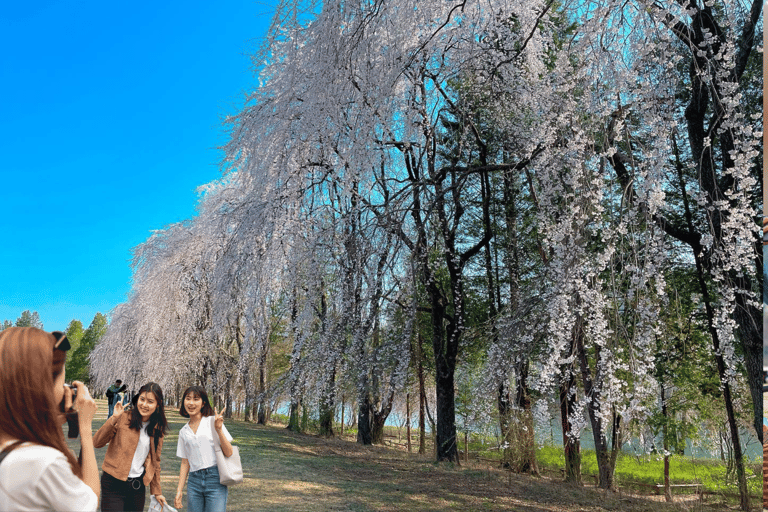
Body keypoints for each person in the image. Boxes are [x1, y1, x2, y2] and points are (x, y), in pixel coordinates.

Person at [0, 327, 100, 511]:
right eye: (62, 382)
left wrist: (50, 423)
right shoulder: (41, 462)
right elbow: (89, 501)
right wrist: (85, 427)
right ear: (43, 384)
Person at [93, 381, 169, 512]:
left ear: (157, 405)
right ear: (137, 399)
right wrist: (114, 418)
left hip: (137, 487)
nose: (144, 405)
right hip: (113, 483)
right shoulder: (123, 418)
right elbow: (97, 442)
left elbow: (155, 462)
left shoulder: (157, 429)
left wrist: (157, 491)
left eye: (150, 401)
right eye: (142, 399)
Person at [174, 386, 233, 512]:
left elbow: (229, 452)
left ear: (203, 403)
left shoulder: (212, 421)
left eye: (196, 399)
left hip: (215, 480)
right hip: (194, 482)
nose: (191, 403)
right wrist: (179, 491)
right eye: (188, 398)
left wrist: (219, 430)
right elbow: (185, 462)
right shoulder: (183, 432)